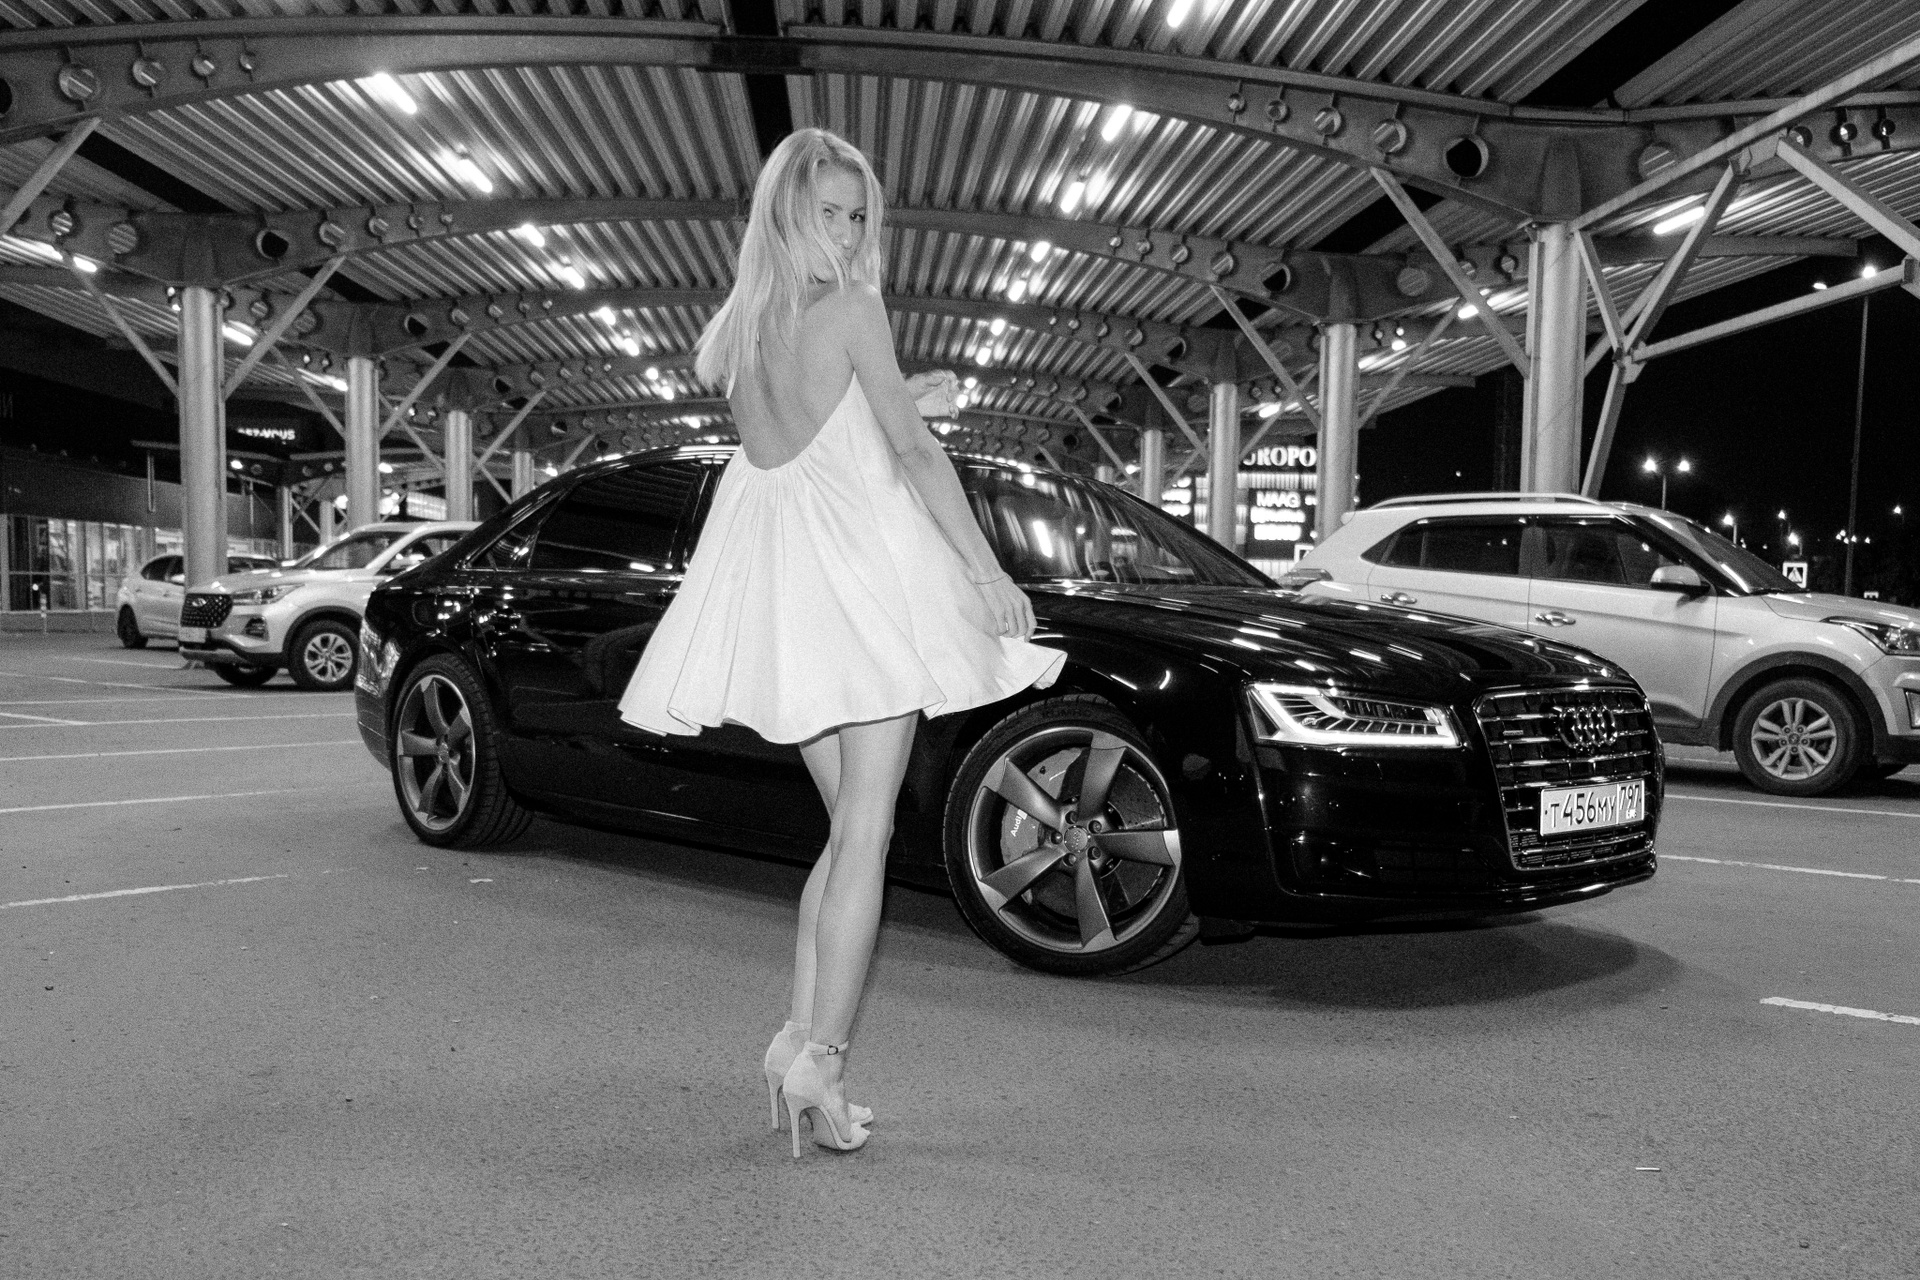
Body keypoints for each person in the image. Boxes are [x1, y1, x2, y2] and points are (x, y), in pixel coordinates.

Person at [617, 128, 1065, 1156]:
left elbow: (818, 432)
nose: (851, 232)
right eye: (830, 212)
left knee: (843, 831)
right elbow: (907, 451)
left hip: (798, 608)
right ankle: (823, 1057)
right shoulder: (854, 308)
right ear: (786, 212)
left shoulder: (742, 334)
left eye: (860, 215)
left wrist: (915, 390)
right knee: (866, 833)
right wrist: (986, 572)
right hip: (865, 599)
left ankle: (793, 1039)